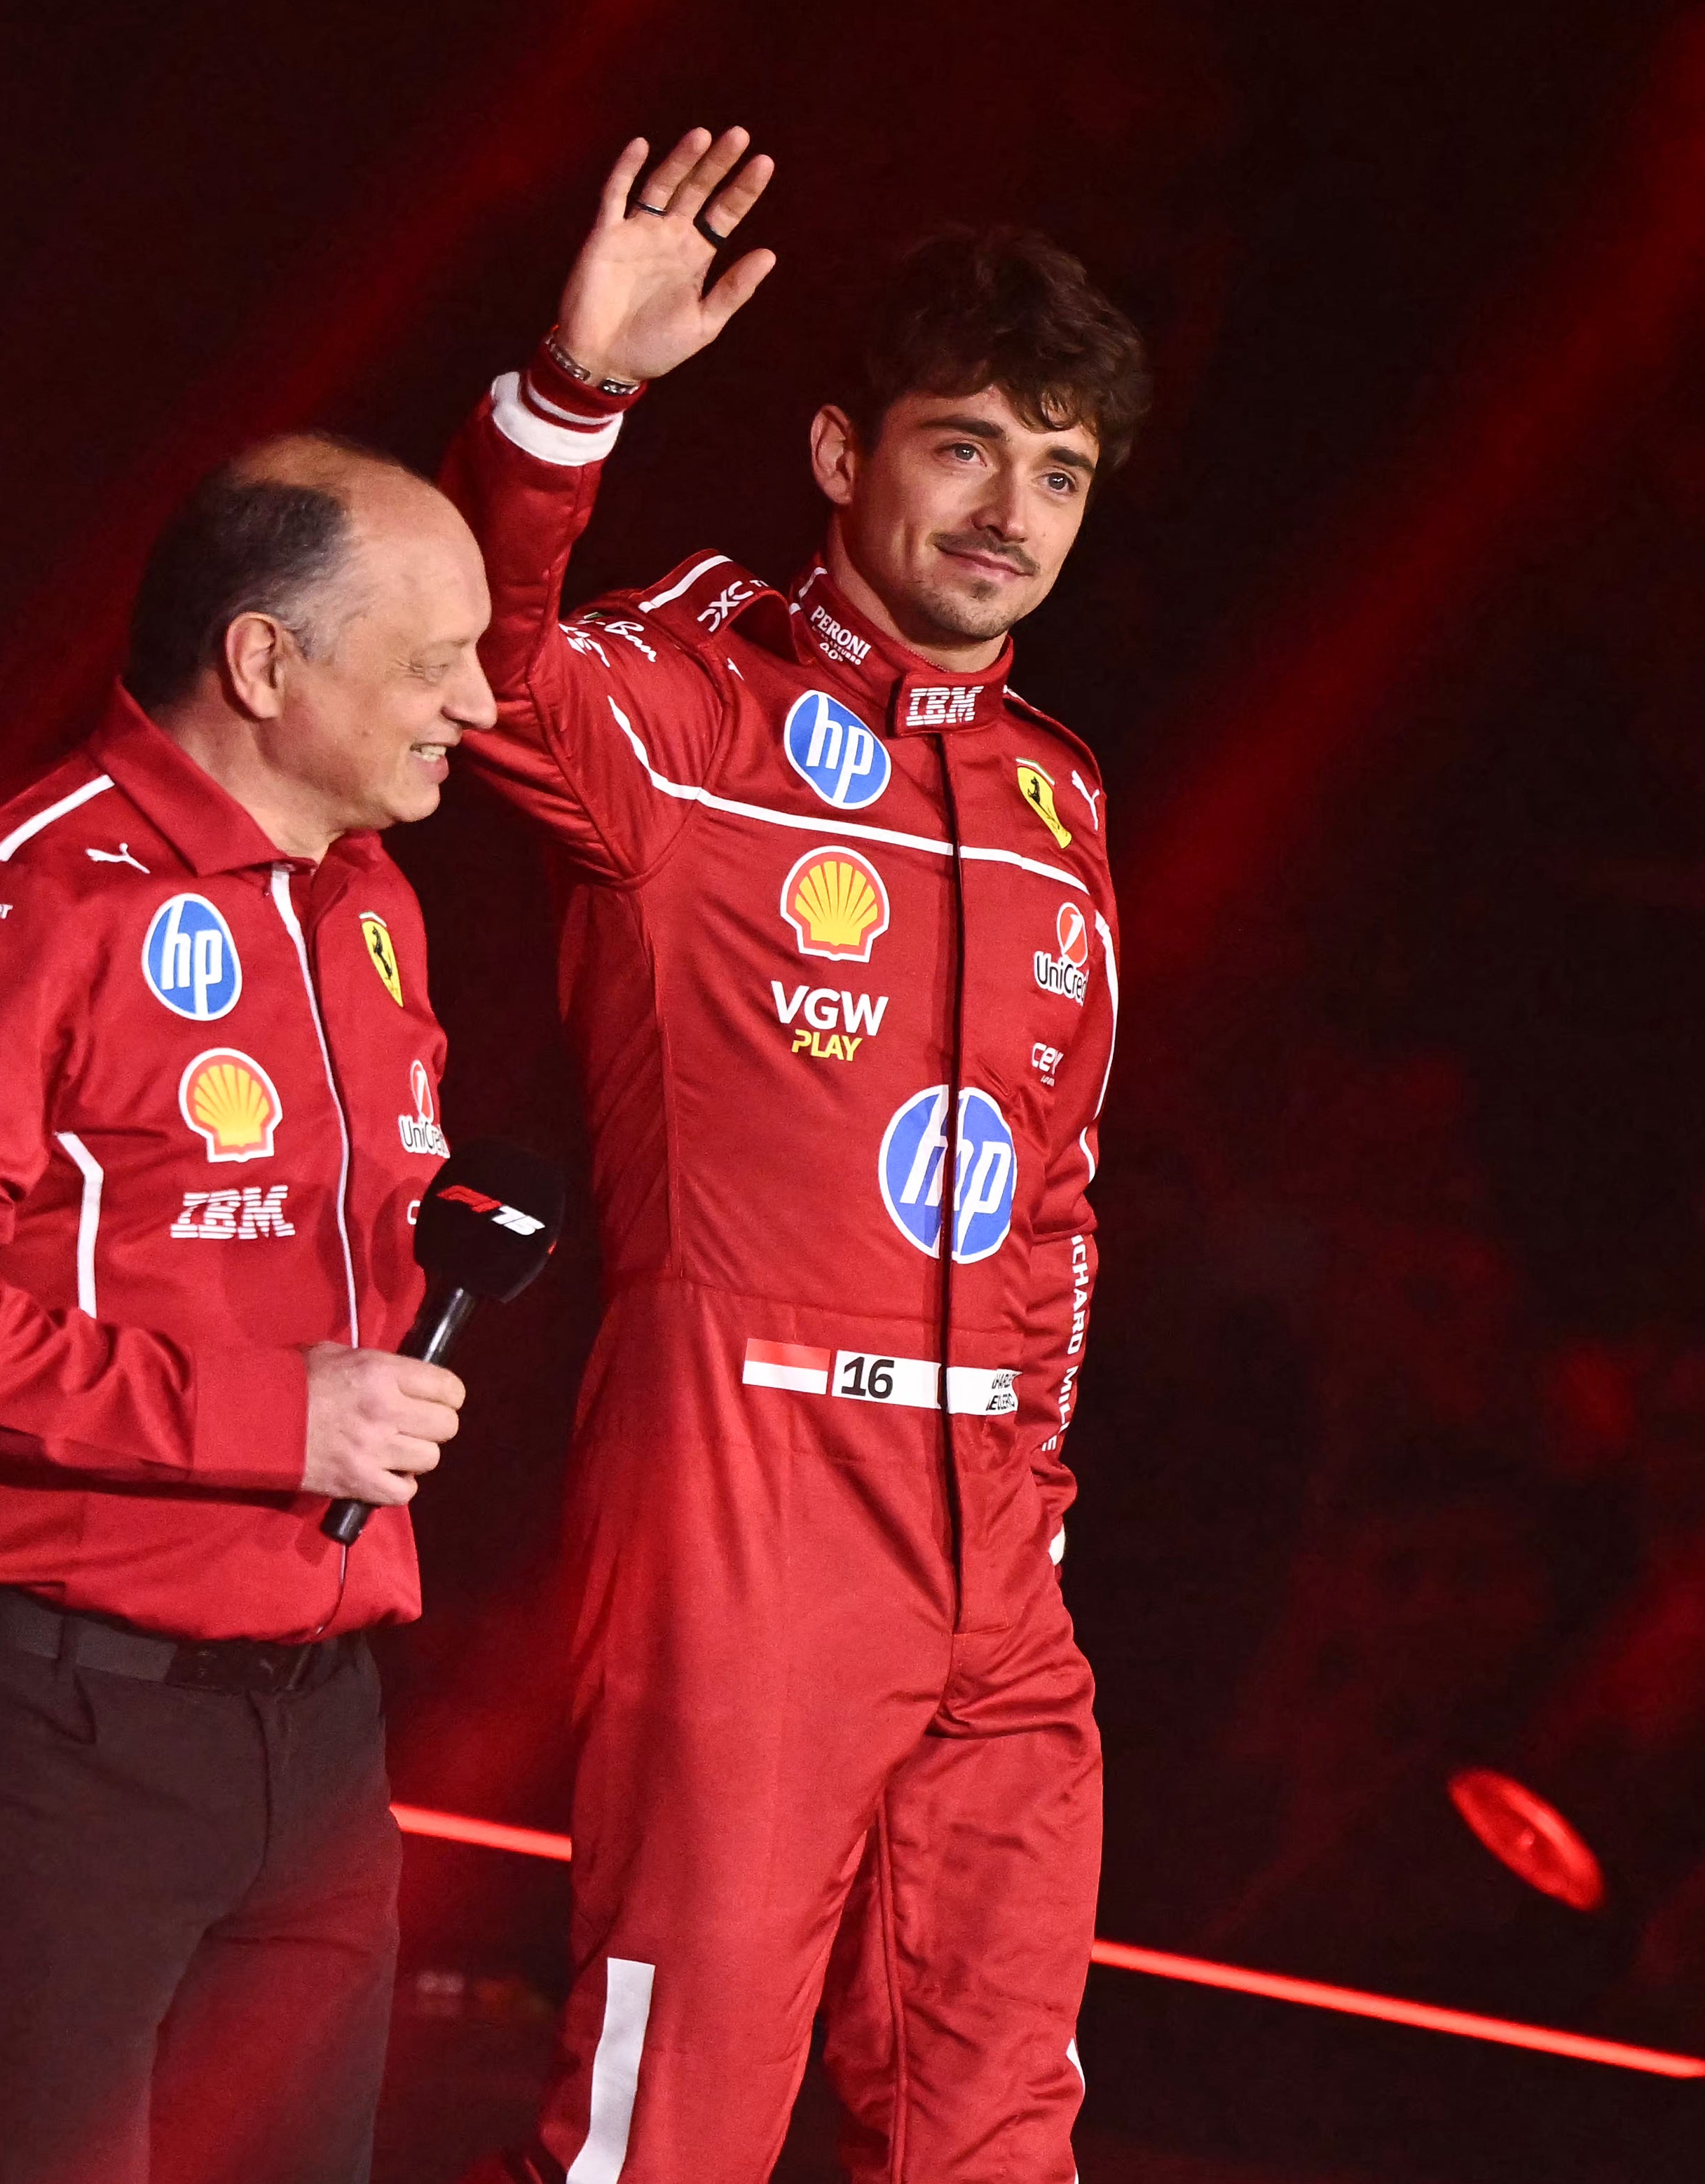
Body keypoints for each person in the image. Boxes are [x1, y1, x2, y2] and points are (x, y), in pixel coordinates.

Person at [439, 132, 1150, 2181]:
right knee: (678, 2115)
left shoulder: (1055, 798)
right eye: (966, 450)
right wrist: (574, 396)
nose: (1011, 511)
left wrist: (1034, 1497)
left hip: (994, 1552)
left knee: (996, 2117)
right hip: (743, 1492)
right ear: (844, 451)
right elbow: (467, 669)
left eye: (1061, 471)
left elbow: (1058, 1191)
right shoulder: (689, 704)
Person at [0, 435, 495, 2184]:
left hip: (312, 1728)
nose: (480, 701)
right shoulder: (12, 888)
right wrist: (283, 1414)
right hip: (43, 1720)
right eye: (433, 660)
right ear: (264, 662)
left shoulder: (376, 908)